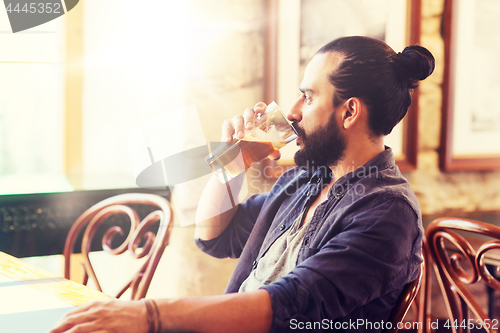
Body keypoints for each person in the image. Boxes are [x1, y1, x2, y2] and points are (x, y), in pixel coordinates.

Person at [49, 36, 434, 333]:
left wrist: (150, 315)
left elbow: (289, 304)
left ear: (349, 111)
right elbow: (215, 235)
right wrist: (235, 160)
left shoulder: (388, 212)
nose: (294, 110)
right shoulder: (306, 180)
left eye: (308, 96)